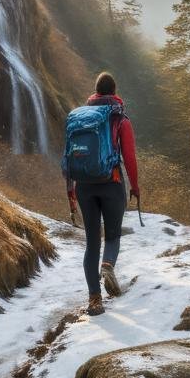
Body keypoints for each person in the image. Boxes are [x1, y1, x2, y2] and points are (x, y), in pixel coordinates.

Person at [63, 72, 140, 316]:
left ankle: (94, 300)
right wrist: (135, 187)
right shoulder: (119, 118)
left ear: (95, 92)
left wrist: (70, 190)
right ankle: (108, 265)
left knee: (91, 243)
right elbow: (129, 157)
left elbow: (68, 156)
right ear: (114, 91)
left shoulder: (78, 118)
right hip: (111, 182)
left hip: (84, 185)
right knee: (113, 236)